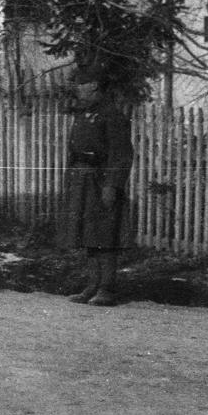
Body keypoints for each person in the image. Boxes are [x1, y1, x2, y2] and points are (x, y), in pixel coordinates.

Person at [59, 61, 134, 307]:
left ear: (94, 86)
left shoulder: (112, 115)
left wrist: (111, 185)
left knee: (104, 236)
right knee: (88, 235)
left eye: (81, 84)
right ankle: (92, 284)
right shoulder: (84, 114)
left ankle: (107, 288)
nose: (77, 89)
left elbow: (121, 154)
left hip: (100, 181)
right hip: (82, 179)